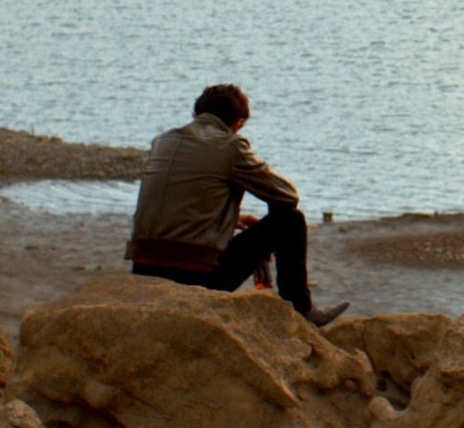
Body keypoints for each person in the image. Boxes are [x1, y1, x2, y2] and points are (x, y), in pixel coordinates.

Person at [125, 84, 347, 326]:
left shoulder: (162, 142)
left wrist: (233, 218)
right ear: (237, 123)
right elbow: (287, 195)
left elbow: (178, 199)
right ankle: (302, 309)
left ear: (197, 114)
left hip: (143, 269)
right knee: (290, 220)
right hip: (195, 276)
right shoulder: (231, 146)